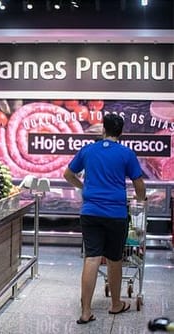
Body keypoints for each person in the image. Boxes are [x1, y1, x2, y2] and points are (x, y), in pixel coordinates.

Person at [63, 113, 146, 325]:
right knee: (114, 259)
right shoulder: (126, 153)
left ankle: (85, 312)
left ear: (103, 130)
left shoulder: (88, 150)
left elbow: (68, 174)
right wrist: (139, 201)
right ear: (122, 132)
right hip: (115, 214)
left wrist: (84, 188)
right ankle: (116, 304)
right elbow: (139, 185)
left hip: (90, 212)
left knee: (91, 258)